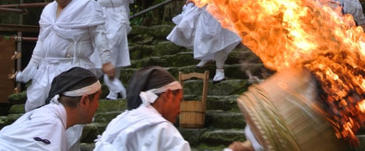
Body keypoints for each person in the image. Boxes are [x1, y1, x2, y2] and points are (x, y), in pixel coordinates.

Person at [16, 0, 115, 112]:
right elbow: (42, 40)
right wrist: (33, 65)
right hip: (47, 67)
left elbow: (99, 34)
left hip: (73, 66)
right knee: (33, 105)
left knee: (67, 109)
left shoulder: (86, 5)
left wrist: (106, 61)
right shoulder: (48, 9)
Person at [93, 66, 255, 151]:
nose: (180, 108)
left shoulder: (117, 123)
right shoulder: (161, 130)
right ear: (168, 94)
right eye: (180, 100)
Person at [86, 0, 150, 100]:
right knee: (95, 44)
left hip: (118, 10)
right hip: (102, 9)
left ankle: (114, 90)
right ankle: (91, 84)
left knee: (114, 45)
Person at [0, 67, 102, 151]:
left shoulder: (48, 117)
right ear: (84, 101)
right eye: (97, 99)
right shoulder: (50, 123)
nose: (98, 105)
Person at [167, 0, 241, 83]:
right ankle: (207, 56)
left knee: (220, 41)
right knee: (198, 35)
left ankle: (219, 70)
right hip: (204, 10)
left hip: (220, 10)